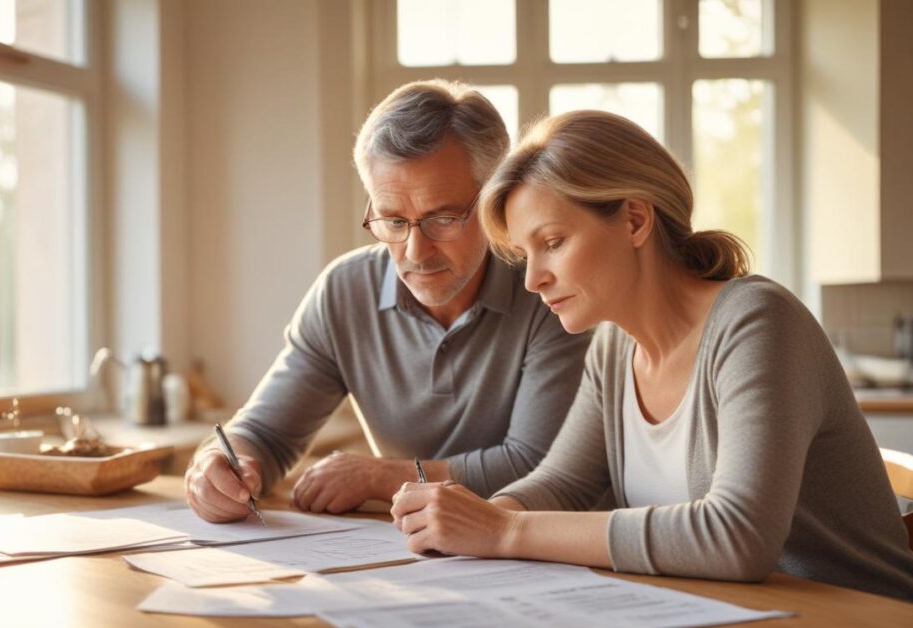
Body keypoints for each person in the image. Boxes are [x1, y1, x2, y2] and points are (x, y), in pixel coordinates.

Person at [391, 110, 913, 602]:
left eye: (553, 242)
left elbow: (737, 537)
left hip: (861, 622)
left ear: (635, 220)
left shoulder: (757, 323)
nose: (533, 279)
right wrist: (473, 520)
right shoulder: (615, 348)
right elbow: (565, 483)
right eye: (526, 256)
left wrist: (503, 531)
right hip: (734, 618)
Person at [184, 80, 591, 522]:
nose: (415, 252)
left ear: (497, 199)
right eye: (393, 220)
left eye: (443, 218)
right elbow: (264, 434)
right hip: (413, 556)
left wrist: (383, 477)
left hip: (545, 555)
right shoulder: (345, 290)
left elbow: (539, 466)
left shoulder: (548, 288)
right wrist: (216, 467)